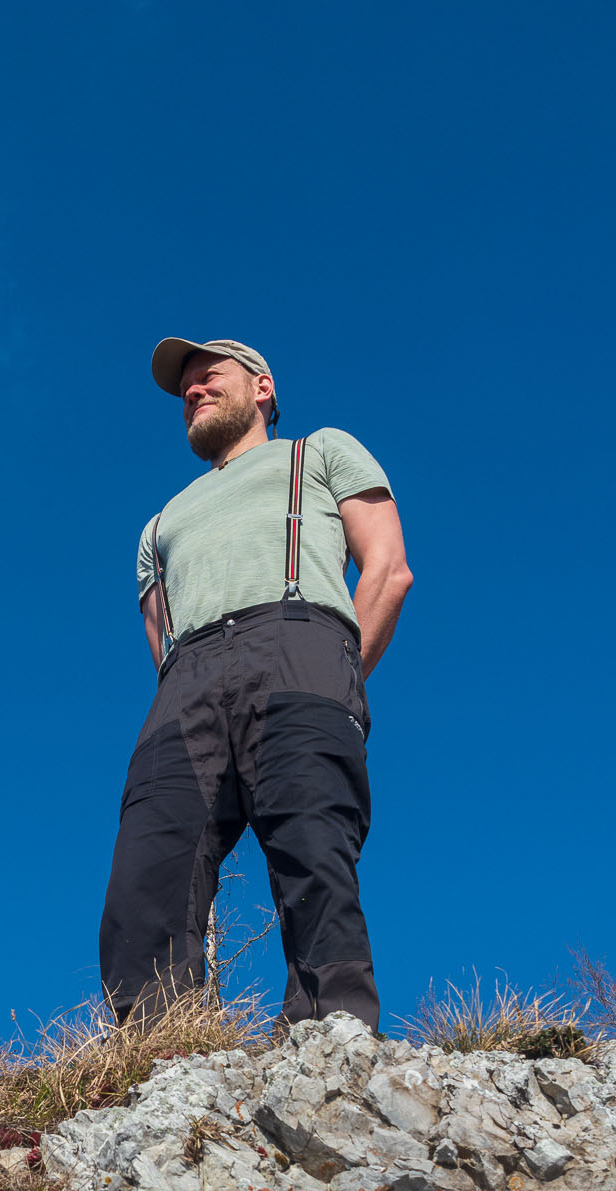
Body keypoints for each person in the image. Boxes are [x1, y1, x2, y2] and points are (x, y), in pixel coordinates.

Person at [99, 337, 412, 1032]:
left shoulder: (319, 453)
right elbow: (162, 639)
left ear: (262, 388)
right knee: (148, 867)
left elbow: (387, 568)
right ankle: (158, 1050)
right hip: (187, 678)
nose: (194, 392)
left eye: (210, 377)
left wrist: (339, 675)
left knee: (312, 849)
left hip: (301, 644)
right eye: (186, 390)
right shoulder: (159, 525)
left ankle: (331, 1039)